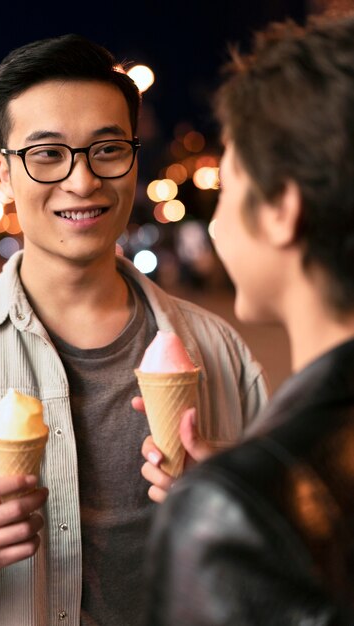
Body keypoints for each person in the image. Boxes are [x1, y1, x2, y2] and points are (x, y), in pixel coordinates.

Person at [0, 34, 268, 625]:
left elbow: (292, 567)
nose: (83, 181)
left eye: (107, 149)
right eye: (46, 155)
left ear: (134, 161)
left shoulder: (224, 356)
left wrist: (244, 509)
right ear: (6, 175)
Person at [144, 13, 354, 626]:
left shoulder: (227, 520)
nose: (214, 222)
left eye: (228, 187)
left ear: (283, 209)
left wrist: (235, 498)